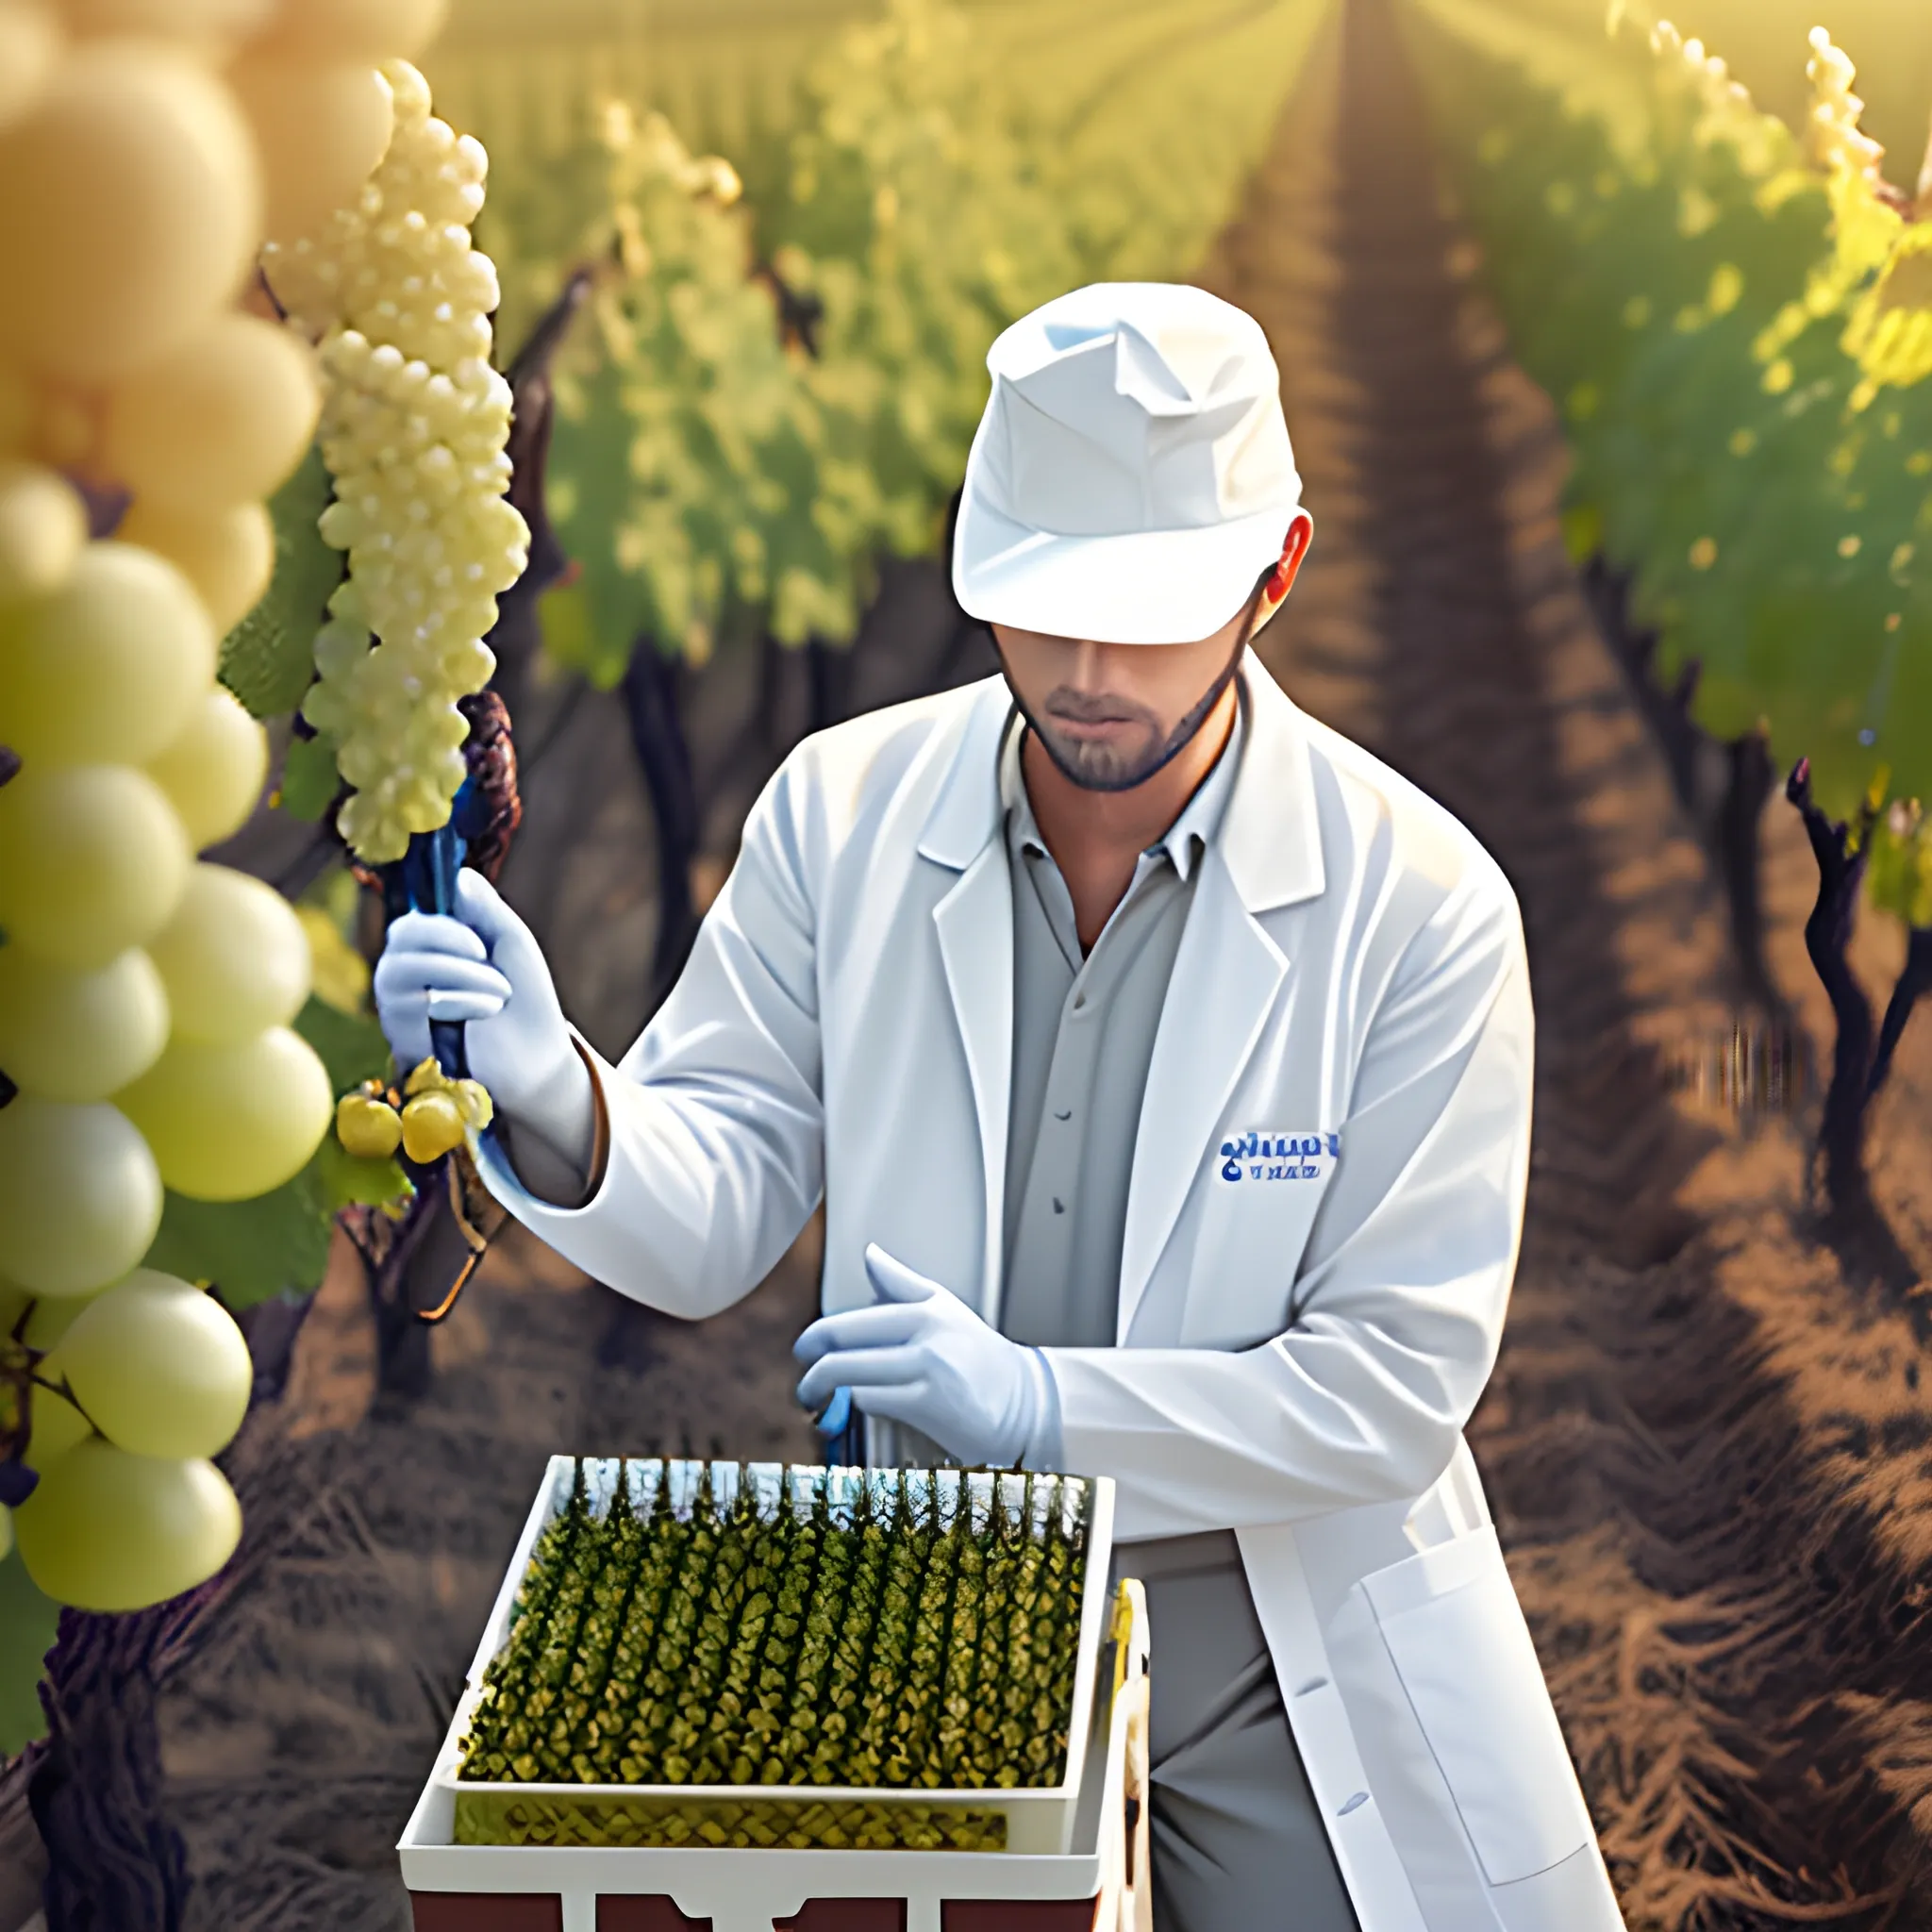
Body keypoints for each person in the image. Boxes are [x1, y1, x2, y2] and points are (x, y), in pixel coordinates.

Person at [374, 282, 1626, 1932]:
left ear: (1279, 572)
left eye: (1152, 611)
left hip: (1274, 1662)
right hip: (941, 1639)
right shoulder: (845, 811)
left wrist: (1043, 1410)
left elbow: (1390, 1389)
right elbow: (714, 1214)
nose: (1091, 670)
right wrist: (557, 1084)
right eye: (1044, 608)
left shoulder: (1421, 907)